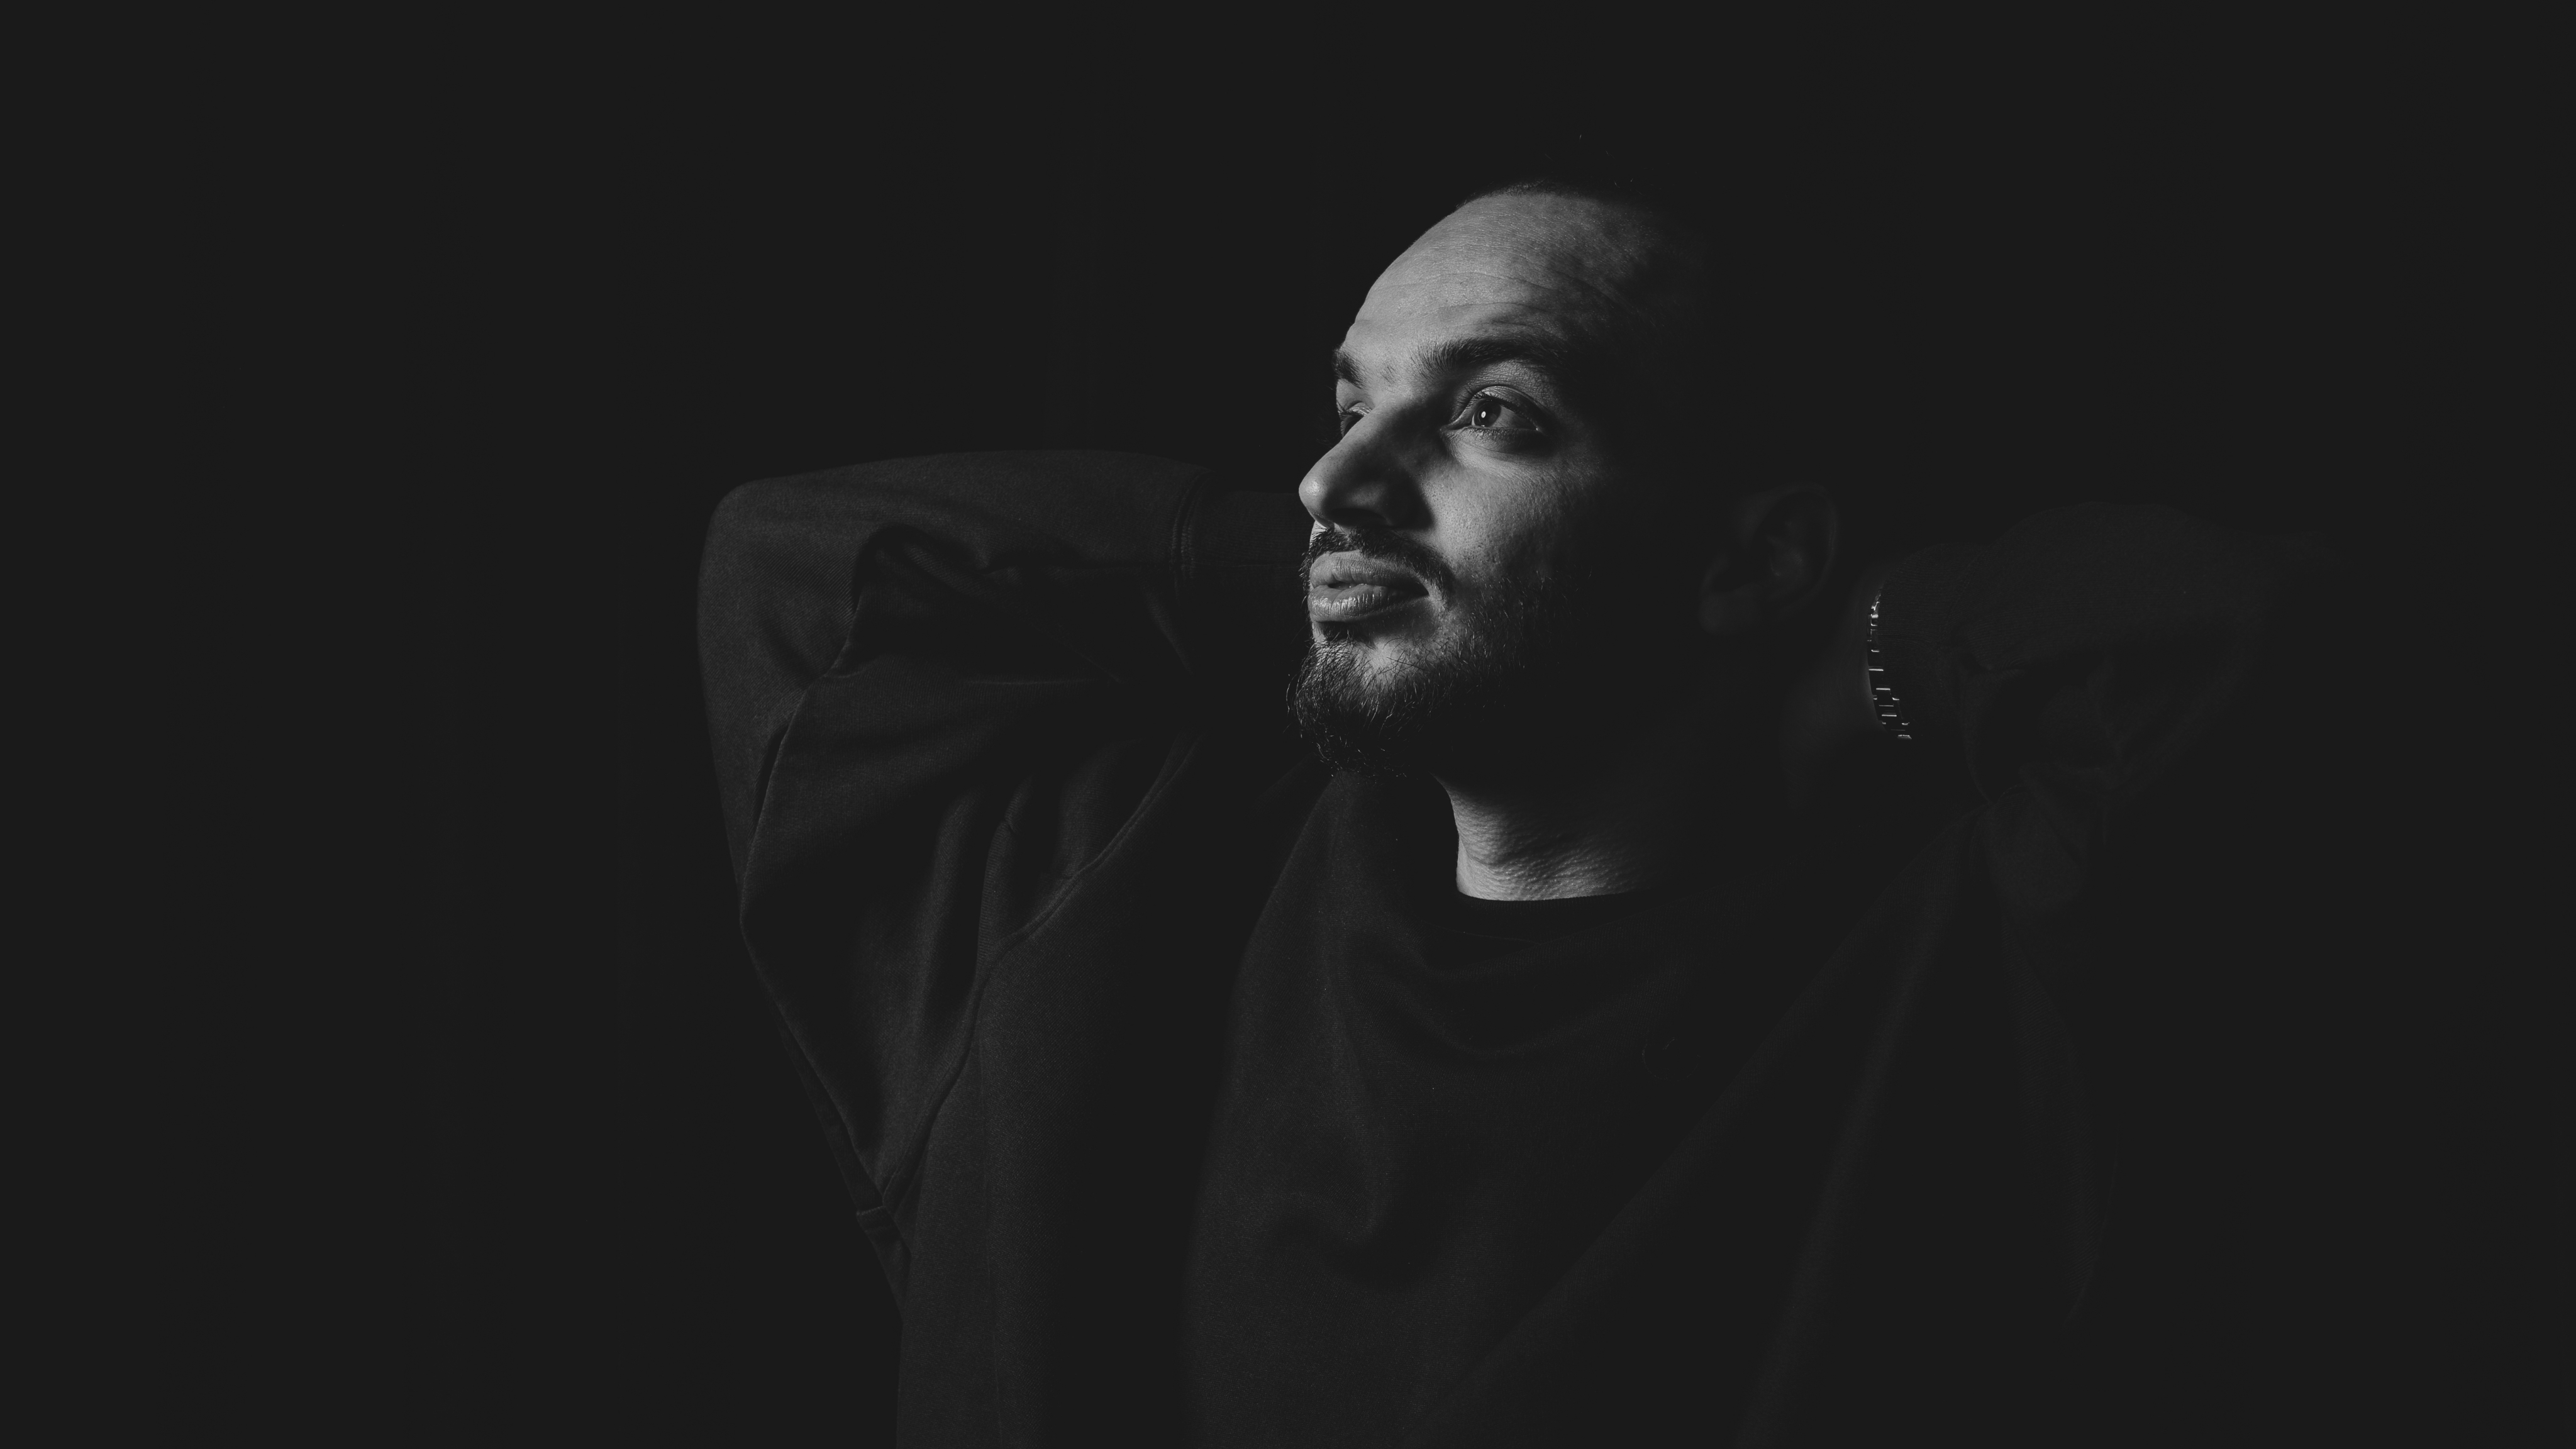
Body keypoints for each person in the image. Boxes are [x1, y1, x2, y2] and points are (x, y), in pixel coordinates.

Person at [699, 179, 2396, 1444]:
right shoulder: (1129, 907)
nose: (1333, 478)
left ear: (1750, 556)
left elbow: (2252, 654)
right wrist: (1361, 562)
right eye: (1355, 405)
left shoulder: (1968, 966)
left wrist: (1860, 653)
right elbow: (811, 569)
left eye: (1495, 412)